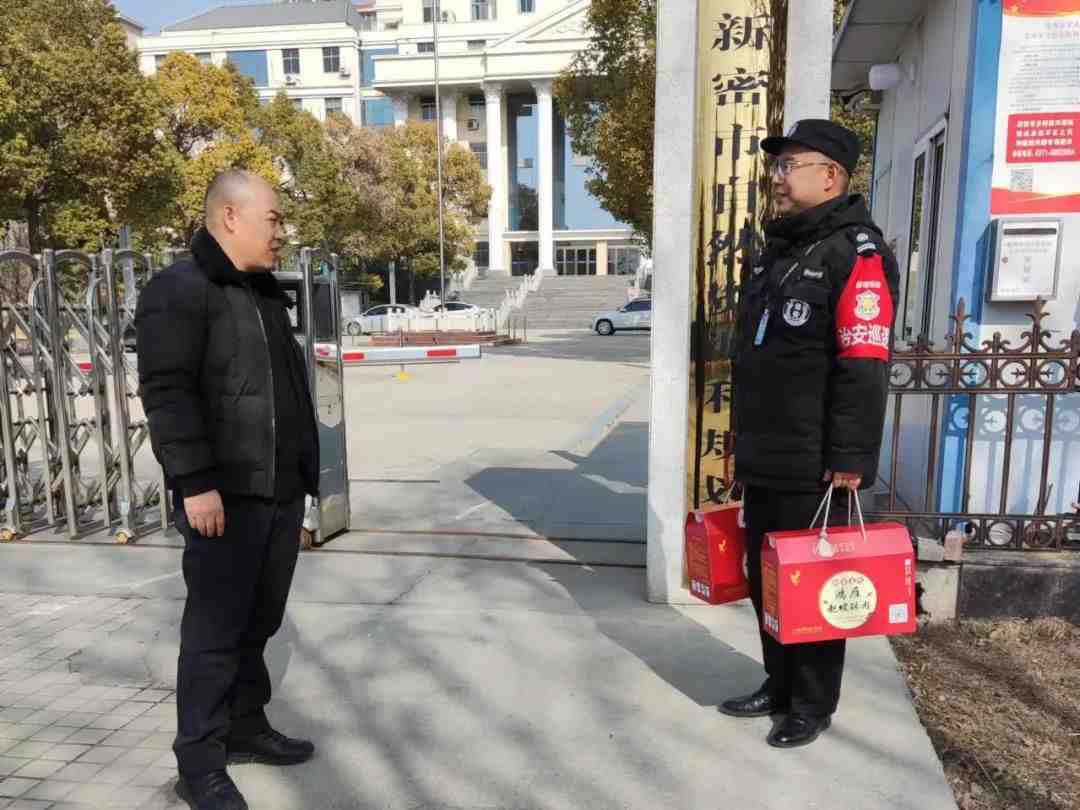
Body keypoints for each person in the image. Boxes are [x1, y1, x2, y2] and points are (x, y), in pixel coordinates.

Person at [137, 170, 320, 810]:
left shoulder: (265, 293)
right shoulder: (179, 290)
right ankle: (199, 765)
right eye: (273, 219)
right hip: (223, 498)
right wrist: (195, 484)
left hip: (278, 494)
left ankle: (246, 725)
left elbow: (287, 394)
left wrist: (305, 483)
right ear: (231, 217)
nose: (281, 231)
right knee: (214, 635)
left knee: (260, 621)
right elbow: (167, 395)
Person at [723, 120, 899, 748]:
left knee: (815, 584)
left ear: (830, 176)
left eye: (788, 165)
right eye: (775, 165)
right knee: (766, 576)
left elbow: (863, 363)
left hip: (817, 461)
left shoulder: (856, 253)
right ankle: (778, 684)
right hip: (768, 452)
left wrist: (850, 455)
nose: (775, 177)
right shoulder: (781, 249)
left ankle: (811, 704)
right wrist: (740, 443)